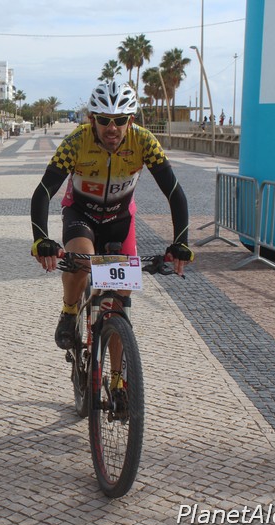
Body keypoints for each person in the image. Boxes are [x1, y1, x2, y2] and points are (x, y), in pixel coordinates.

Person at [29, 80, 192, 353]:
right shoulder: (77, 142)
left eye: (120, 120)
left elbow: (174, 192)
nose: (112, 128)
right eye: (104, 120)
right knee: (82, 260)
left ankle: (119, 378)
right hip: (82, 215)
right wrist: (41, 239)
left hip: (120, 221)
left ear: (131, 120)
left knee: (118, 305)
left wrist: (181, 243)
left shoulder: (144, 141)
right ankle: (69, 311)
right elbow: (43, 191)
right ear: (93, 120)